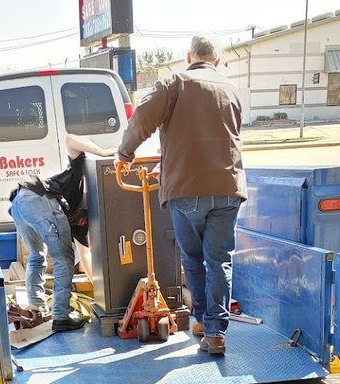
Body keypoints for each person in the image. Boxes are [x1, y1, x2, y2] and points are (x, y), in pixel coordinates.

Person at [114, 31, 247, 354]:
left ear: (189, 57)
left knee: (194, 259)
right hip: (228, 188)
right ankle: (214, 331)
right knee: (219, 260)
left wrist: (124, 154)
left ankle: (200, 318)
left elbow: (141, 121)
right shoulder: (231, 89)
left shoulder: (173, 84)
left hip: (186, 190)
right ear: (216, 61)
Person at [9, 134, 116, 332]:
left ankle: (35, 305)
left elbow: (85, 257)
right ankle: (61, 316)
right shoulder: (78, 176)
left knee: (36, 255)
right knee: (64, 259)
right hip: (40, 199)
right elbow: (70, 139)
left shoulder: (81, 222)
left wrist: (100, 291)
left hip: (19, 201)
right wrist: (102, 152)